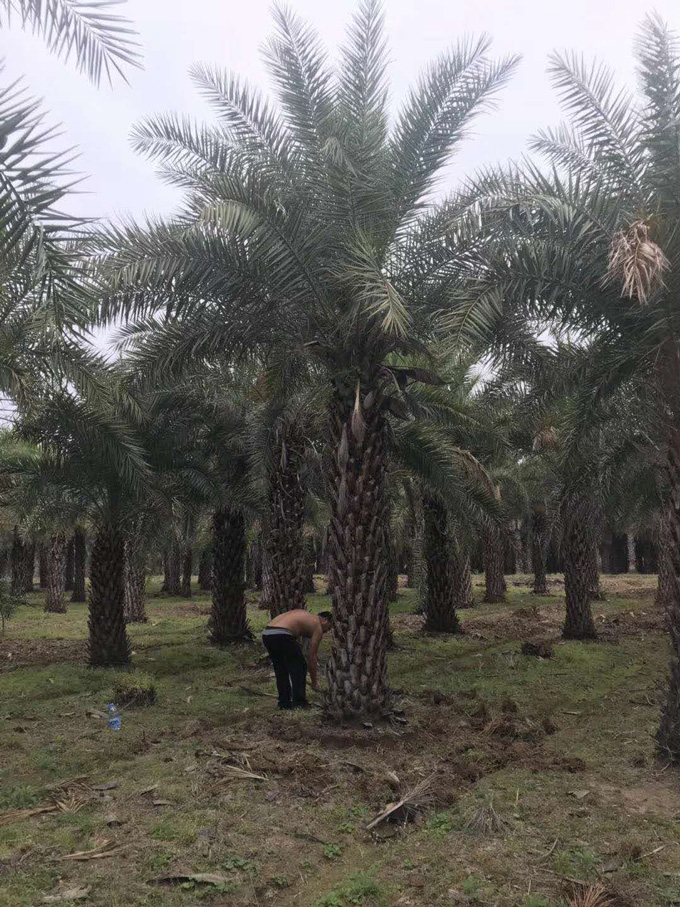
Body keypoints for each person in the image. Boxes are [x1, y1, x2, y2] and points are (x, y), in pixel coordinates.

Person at [262, 610, 332, 710]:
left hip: (267, 634)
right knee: (300, 667)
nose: (327, 631)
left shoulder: (307, 617)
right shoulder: (318, 626)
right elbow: (312, 656)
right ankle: (299, 702)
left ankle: (284, 703)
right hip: (282, 634)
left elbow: (302, 649)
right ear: (325, 620)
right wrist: (314, 682)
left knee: (281, 668)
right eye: (329, 628)